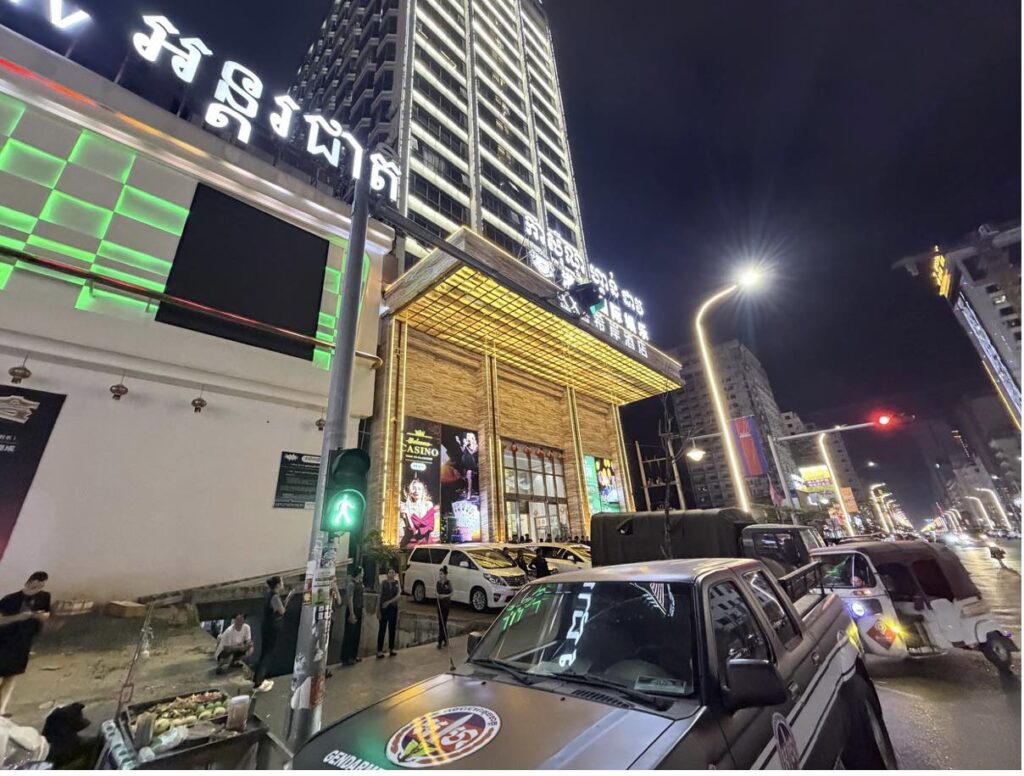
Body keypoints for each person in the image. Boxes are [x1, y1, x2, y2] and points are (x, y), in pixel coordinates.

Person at [0, 571, 50, 717]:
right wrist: (18, 617)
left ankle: (1, 709)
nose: (36, 590)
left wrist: (41, 616)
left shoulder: (44, 597)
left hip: (24, 642)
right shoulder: (10, 599)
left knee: (12, 675)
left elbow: (47, 614)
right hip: (5, 640)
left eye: (40, 587)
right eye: (34, 587)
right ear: (27, 583)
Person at [253, 576, 294, 692]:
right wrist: (288, 600)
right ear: (277, 585)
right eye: (282, 582)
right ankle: (258, 682)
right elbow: (282, 611)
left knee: (265, 652)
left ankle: (258, 678)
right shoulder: (275, 597)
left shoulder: (270, 595)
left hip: (267, 627)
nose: (283, 584)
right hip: (271, 628)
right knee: (267, 654)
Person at [341, 567, 365, 666]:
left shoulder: (360, 583)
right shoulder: (351, 584)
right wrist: (351, 613)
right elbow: (350, 599)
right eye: (362, 572)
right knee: (350, 634)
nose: (363, 573)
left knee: (356, 634)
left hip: (359, 608)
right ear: (359, 573)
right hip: (353, 609)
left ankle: (353, 656)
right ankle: (346, 657)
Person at [377, 568, 400, 658]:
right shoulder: (383, 583)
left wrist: (389, 602)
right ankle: (379, 650)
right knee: (382, 628)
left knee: (392, 628)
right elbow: (379, 595)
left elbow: (398, 595)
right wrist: (378, 609)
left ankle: (391, 648)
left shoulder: (397, 583)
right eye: (390, 572)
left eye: (393, 572)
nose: (391, 574)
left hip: (393, 608)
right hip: (384, 608)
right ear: (387, 574)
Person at [435, 567, 453, 649]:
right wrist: (437, 595)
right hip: (439, 605)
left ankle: (440, 641)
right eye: (439, 574)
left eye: (441, 574)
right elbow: (436, 592)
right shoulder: (438, 583)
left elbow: (452, 593)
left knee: (443, 622)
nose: (440, 575)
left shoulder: (448, 583)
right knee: (440, 623)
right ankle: (445, 640)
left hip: (446, 605)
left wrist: (444, 596)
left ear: (445, 575)